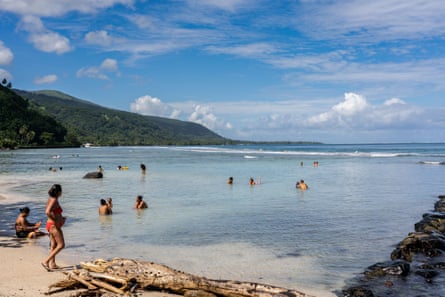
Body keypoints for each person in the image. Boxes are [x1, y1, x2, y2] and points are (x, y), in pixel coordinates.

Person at [42, 184, 66, 271]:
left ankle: (52, 264)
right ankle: (46, 261)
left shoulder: (51, 199)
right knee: (61, 245)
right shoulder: (54, 200)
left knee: (53, 245)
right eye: (61, 191)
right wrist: (56, 221)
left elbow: (53, 212)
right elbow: (47, 212)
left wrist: (61, 218)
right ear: (59, 192)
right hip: (53, 225)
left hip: (50, 224)